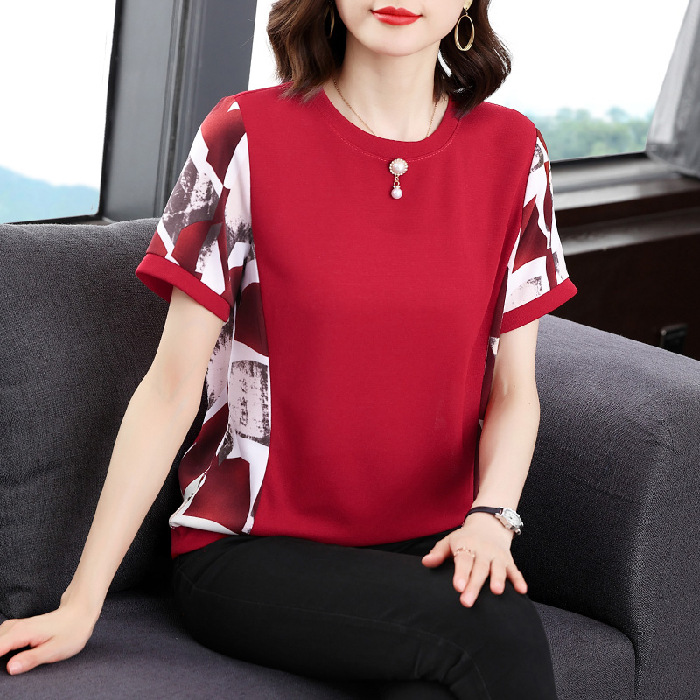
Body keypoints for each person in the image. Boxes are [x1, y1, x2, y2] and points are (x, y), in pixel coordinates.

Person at [0, 1, 578, 697]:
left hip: (427, 550)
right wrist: (81, 600)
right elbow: (169, 389)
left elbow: (514, 391)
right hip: (250, 549)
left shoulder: (514, 152)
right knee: (495, 626)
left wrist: (491, 518)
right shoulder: (240, 135)